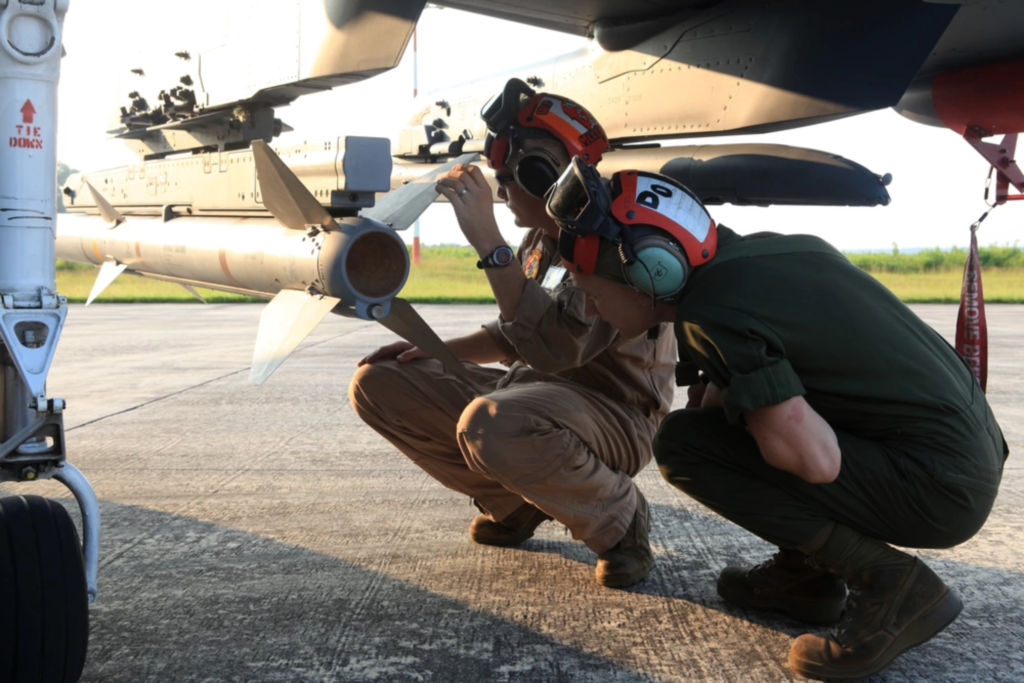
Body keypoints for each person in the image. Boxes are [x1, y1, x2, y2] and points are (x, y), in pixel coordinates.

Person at [546, 159, 1008, 678]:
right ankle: (805, 577)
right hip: (962, 455)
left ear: (651, 271)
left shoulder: (717, 311)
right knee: (714, 430)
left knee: (685, 447)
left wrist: (751, 422)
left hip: (940, 488)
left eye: (591, 289)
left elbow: (815, 461)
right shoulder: (759, 255)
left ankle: (891, 585)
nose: (590, 303)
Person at [348, 79, 677, 588]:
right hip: (533, 394)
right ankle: (516, 504)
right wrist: (431, 352)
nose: (500, 193)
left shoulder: (613, 241)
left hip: (612, 414)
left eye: (508, 178)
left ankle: (620, 519)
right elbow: (515, 334)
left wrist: (487, 239)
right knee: (379, 381)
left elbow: (557, 344)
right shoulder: (543, 239)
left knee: (491, 423)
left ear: (545, 177)